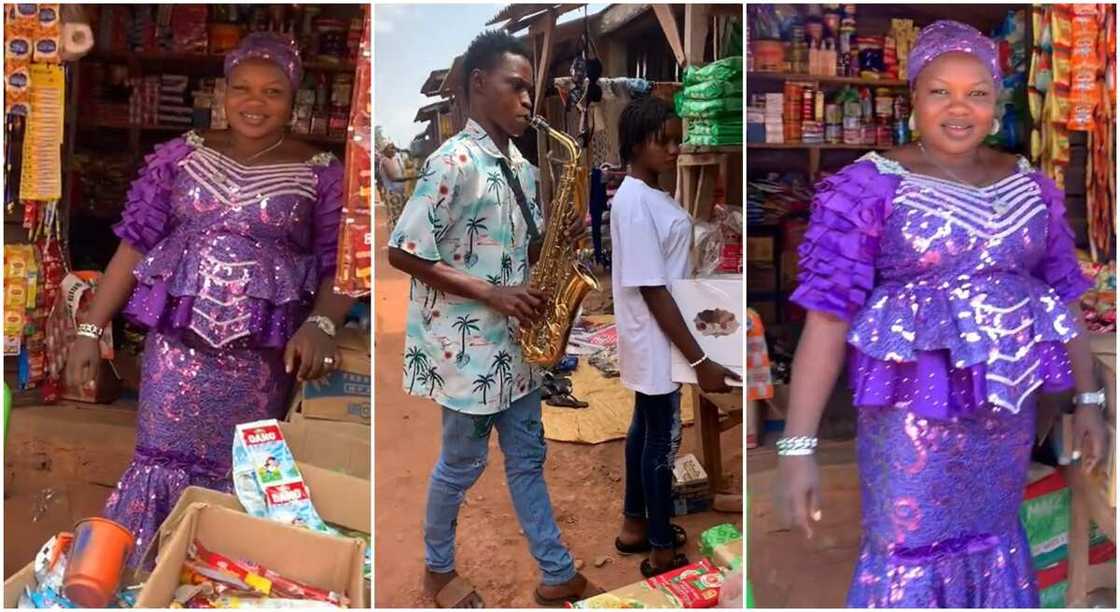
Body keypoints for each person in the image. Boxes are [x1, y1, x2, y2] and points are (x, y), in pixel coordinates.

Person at [777, 21, 1108, 607]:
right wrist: (797, 448)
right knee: (910, 547)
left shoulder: (1030, 187)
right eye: (940, 91)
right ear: (914, 99)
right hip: (911, 426)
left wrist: (1089, 400)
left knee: (995, 536)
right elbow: (826, 322)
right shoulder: (870, 188)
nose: (960, 108)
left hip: (1004, 419)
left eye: (978, 93)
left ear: (998, 102)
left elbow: (1062, 299)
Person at [64, 33, 355, 566]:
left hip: (258, 362)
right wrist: (90, 329)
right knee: (158, 460)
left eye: (272, 92)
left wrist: (323, 324)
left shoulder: (321, 173)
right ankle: (141, 579)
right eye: (242, 88)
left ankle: (212, 586)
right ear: (223, 92)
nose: (254, 102)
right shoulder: (180, 156)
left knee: (242, 469)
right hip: (176, 353)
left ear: (295, 100)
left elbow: (343, 264)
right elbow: (133, 247)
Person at [387, 30, 596, 607]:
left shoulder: (524, 168)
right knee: (460, 466)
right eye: (517, 87)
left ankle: (556, 573)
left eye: (531, 90)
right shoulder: (450, 162)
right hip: (467, 352)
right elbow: (402, 252)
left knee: (528, 458)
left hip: (519, 348)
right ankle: (436, 572)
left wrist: (558, 238)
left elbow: (521, 254)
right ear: (479, 85)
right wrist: (495, 294)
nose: (529, 101)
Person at [608, 96, 740, 577]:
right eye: (662, 139)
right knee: (661, 441)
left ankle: (634, 526)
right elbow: (653, 288)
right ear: (637, 142)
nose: (673, 147)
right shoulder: (636, 203)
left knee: (644, 429)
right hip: (657, 338)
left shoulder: (647, 195)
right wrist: (700, 358)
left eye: (675, 138)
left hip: (655, 336)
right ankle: (662, 548)